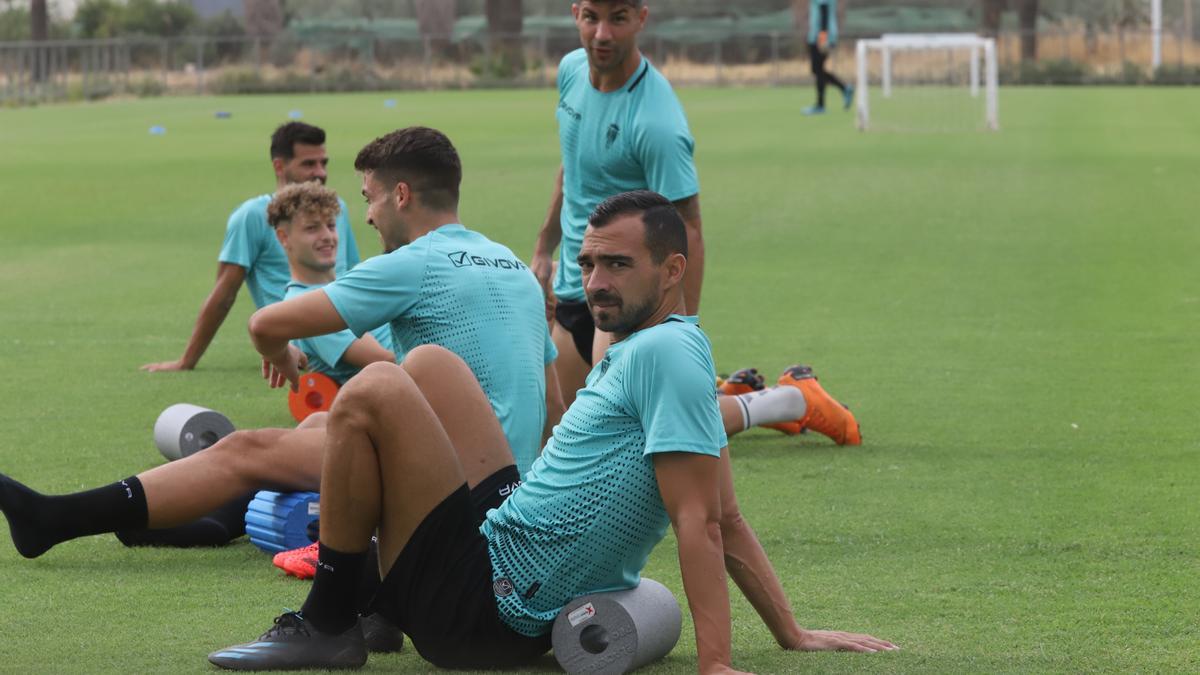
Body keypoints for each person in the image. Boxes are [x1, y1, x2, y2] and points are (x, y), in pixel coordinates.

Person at [208, 191, 896, 672]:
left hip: (486, 608)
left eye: (618, 265)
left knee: (375, 388)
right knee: (429, 363)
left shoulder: (662, 354)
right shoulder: (664, 345)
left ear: (674, 269)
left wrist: (716, 662)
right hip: (501, 545)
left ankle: (330, 620)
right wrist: (791, 632)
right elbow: (731, 514)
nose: (595, 282)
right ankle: (373, 595)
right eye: (590, 262)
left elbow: (705, 521)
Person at [0, 127, 561, 563]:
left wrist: (283, 361)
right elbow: (555, 405)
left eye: (368, 198)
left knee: (247, 450)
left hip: (446, 490)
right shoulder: (512, 265)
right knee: (319, 427)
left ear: (401, 194)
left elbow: (264, 325)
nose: (365, 216)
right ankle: (205, 519)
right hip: (511, 485)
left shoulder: (410, 264)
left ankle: (53, 519)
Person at [532, 0, 705, 409]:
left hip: (627, 294)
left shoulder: (657, 123)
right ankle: (755, 396)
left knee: (623, 425)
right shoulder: (571, 70)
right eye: (592, 17)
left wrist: (682, 331)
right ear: (576, 14)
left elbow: (689, 228)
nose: (603, 34)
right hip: (574, 287)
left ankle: (777, 403)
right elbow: (571, 168)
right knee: (558, 427)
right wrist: (543, 247)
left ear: (641, 19)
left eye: (618, 18)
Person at [140, 122, 360, 373]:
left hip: (349, 330)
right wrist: (186, 361)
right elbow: (224, 294)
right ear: (279, 166)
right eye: (308, 164)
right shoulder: (253, 216)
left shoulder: (335, 207)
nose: (320, 172)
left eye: (323, 163)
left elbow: (351, 272)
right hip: (306, 343)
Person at [266, 181, 396, 385]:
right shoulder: (305, 304)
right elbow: (387, 362)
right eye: (312, 228)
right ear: (284, 237)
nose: (327, 236)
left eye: (331, 225)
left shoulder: (347, 286)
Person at [803, 0, 854, 116]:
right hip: (817, 36)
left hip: (821, 38)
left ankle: (823, 103)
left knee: (817, 69)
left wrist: (822, 39)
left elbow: (824, 12)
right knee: (817, 69)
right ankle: (841, 91)